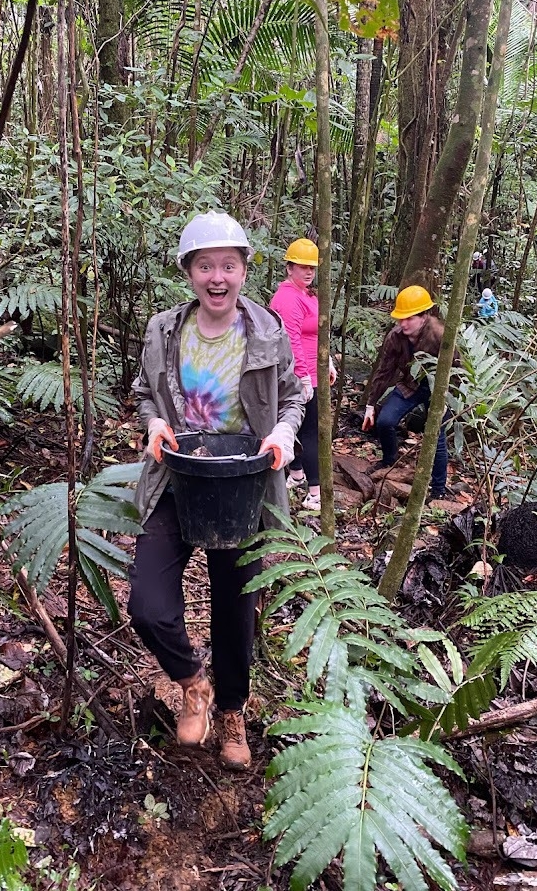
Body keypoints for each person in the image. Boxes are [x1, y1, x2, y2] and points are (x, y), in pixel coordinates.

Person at [128, 210, 304, 771]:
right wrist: (155, 422)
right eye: (205, 266)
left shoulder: (267, 330)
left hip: (242, 482)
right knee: (148, 605)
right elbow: (145, 392)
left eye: (228, 265)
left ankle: (231, 710)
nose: (217, 277)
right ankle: (192, 683)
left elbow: (294, 396)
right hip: (178, 476)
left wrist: (282, 432)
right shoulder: (164, 330)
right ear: (189, 272)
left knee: (235, 605)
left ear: (244, 271)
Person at [361, 285, 456, 500]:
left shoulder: (440, 335)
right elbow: (384, 371)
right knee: (385, 421)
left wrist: (447, 401)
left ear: (423, 317)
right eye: (400, 319)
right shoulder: (396, 337)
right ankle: (389, 460)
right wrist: (370, 404)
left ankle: (438, 490)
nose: (403, 324)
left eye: (409, 319)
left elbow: (457, 369)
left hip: (438, 389)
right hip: (410, 384)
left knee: (437, 436)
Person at [269, 237, 337, 512]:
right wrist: (304, 377)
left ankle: (296, 475)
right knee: (308, 431)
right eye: (302, 267)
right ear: (289, 268)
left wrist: (327, 361)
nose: (308, 272)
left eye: (311, 267)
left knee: (304, 427)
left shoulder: (307, 294)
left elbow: (317, 333)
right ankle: (315, 492)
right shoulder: (287, 298)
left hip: (313, 371)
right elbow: (291, 340)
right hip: (298, 375)